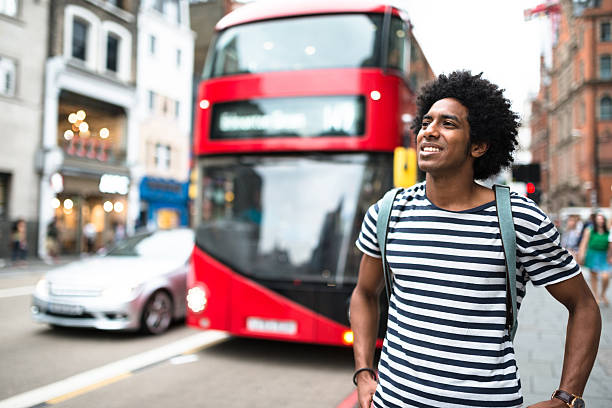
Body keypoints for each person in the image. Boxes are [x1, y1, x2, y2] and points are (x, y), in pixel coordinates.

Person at [350, 71, 601, 408]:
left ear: (479, 145)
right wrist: (364, 372)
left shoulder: (518, 219)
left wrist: (567, 398)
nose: (429, 131)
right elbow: (365, 294)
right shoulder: (388, 211)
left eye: (448, 124)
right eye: (426, 122)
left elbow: (584, 306)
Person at [578, 213, 610, 306]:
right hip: (592, 254)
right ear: (595, 221)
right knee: (594, 277)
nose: (600, 221)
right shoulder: (589, 230)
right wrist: (581, 255)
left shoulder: (608, 231)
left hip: (604, 256)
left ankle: (603, 294)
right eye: (598, 219)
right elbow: (583, 243)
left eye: (602, 219)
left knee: (605, 276)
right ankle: (596, 296)